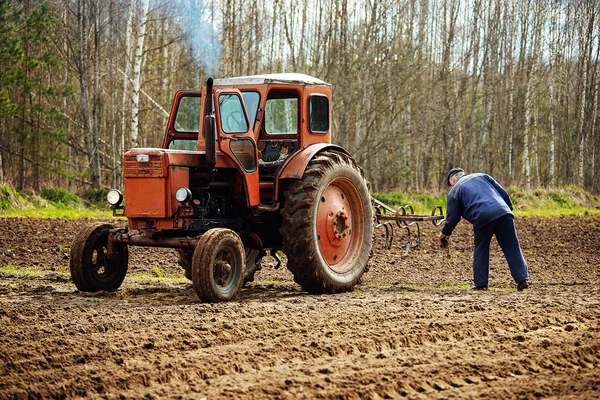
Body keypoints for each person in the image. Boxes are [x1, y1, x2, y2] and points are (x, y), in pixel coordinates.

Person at [438, 168, 530, 291]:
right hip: (504, 212)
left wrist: (444, 234)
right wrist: (508, 208)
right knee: (512, 246)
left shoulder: (455, 190)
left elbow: (453, 217)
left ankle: (481, 284)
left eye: (450, 184)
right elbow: (503, 193)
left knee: (481, 248)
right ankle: (522, 280)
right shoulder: (482, 176)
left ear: (452, 180)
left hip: (482, 217)